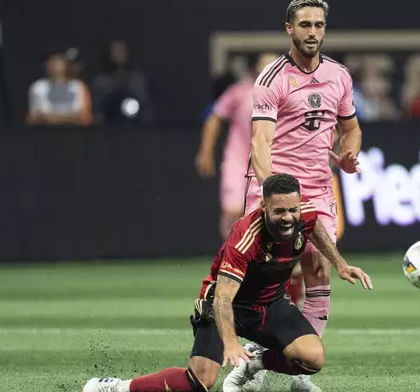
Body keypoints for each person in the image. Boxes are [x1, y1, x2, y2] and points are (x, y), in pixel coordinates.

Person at [81, 173, 373, 392]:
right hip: (225, 305)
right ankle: (116, 387)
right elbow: (222, 298)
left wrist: (340, 264)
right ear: (263, 207)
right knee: (200, 382)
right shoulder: (246, 238)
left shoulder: (305, 213)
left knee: (313, 359)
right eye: (279, 212)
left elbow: (315, 227)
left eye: (292, 210)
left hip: (269, 304)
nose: (288, 218)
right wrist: (232, 344)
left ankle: (256, 362)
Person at [225, 1, 363, 391]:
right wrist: (274, 197)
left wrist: (350, 154)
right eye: (305, 24)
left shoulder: (339, 75)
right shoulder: (272, 79)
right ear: (289, 29)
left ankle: (296, 371)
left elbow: (351, 128)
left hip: (318, 189)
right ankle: (253, 361)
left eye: (319, 24)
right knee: (267, 278)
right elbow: (260, 143)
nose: (312, 32)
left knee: (318, 270)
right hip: (277, 190)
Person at [195, 53, 280, 242]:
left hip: (272, 161)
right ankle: (232, 258)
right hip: (238, 159)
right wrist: (206, 151)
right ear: (256, 69)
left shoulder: (288, 94)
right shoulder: (240, 92)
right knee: (232, 211)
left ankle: (267, 260)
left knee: (271, 213)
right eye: (265, 65)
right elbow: (215, 117)